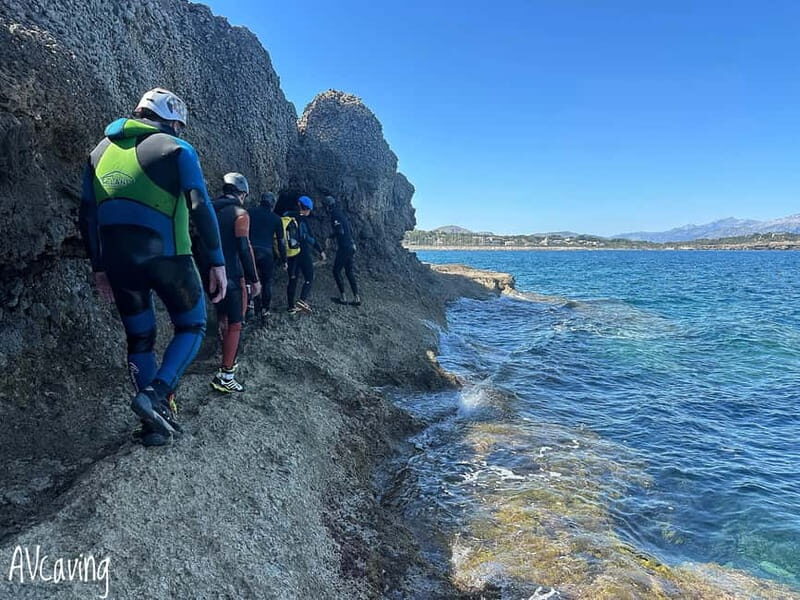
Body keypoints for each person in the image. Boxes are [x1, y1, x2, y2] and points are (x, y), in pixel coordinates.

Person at [79, 87, 227, 447]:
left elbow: (86, 216)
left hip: (118, 265)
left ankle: (154, 427)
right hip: (169, 258)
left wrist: (100, 268)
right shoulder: (177, 148)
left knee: (140, 340)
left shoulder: (97, 154)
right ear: (175, 121)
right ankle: (157, 396)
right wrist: (217, 262)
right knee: (192, 326)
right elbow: (200, 206)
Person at [209, 173, 261, 393]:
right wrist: (254, 280)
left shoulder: (210, 208)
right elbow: (243, 248)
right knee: (236, 323)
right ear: (242, 193)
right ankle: (226, 375)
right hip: (231, 275)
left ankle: (223, 357)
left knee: (221, 317)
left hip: (205, 273)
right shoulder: (240, 213)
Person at [248, 192, 286, 321]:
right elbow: (281, 242)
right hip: (266, 253)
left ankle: (250, 305)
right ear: (272, 203)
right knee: (267, 282)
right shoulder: (276, 219)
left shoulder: (250, 212)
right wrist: (284, 259)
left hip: (250, 250)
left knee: (249, 280)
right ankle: (265, 310)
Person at [284, 196, 325, 314]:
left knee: (293, 279)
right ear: (307, 209)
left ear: (298, 203)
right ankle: (302, 300)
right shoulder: (303, 220)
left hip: (290, 253)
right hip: (303, 252)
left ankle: (290, 307)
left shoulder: (286, 215)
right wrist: (320, 250)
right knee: (309, 277)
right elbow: (309, 238)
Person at [323, 195, 360, 305]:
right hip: (350, 246)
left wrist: (329, 237)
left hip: (344, 248)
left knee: (336, 271)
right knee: (349, 272)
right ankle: (357, 298)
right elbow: (348, 230)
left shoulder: (335, 215)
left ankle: (343, 298)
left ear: (328, 206)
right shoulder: (341, 214)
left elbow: (340, 231)